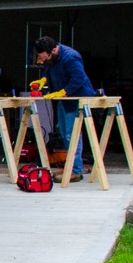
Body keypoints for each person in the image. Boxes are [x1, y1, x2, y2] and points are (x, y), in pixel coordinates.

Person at [29, 36, 97, 181]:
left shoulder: (70, 57)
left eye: (42, 56)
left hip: (76, 97)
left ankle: (76, 170)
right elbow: (48, 68)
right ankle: (72, 167)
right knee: (65, 133)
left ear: (53, 50)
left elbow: (78, 78)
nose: (41, 60)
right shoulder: (51, 57)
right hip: (63, 98)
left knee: (71, 135)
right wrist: (43, 80)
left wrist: (64, 91)